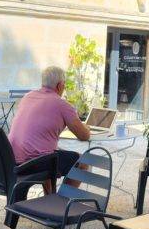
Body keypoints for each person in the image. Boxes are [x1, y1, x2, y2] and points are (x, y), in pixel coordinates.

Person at [8, 65, 90, 193]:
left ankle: (49, 198)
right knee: (83, 162)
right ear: (59, 85)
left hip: (12, 159)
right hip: (34, 164)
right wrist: (87, 127)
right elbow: (84, 135)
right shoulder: (62, 104)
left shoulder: (27, 97)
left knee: (50, 152)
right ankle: (61, 200)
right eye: (64, 85)